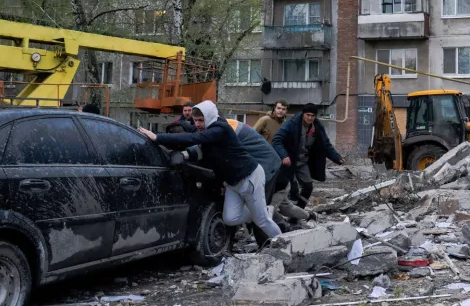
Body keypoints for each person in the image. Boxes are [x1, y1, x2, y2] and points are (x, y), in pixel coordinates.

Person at [138, 101, 281, 241]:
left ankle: (283, 244)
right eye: (195, 120)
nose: (197, 124)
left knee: (262, 222)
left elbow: (195, 138)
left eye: (201, 120)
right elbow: (202, 151)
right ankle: (264, 211)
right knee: (230, 218)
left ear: (210, 116)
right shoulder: (209, 133)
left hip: (249, 177)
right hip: (232, 183)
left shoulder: (221, 128)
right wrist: (184, 155)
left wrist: (157, 137)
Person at [271, 103, 344, 208]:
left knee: (308, 186)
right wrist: (284, 156)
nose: (310, 118)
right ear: (303, 114)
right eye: (307, 115)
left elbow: (326, 144)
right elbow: (276, 140)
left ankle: (298, 213)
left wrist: (337, 157)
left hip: (302, 162)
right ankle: (274, 211)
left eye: (312, 116)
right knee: (286, 187)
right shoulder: (291, 124)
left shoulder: (317, 127)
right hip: (288, 162)